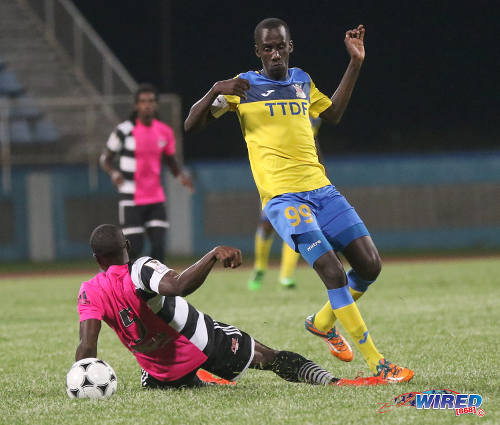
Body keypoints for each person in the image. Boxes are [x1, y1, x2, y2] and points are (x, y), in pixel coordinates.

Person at [184, 18, 414, 382]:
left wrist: (355, 63)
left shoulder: (302, 81)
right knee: (332, 270)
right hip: (283, 198)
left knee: (370, 265)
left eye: (280, 46)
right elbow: (191, 126)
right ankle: (378, 363)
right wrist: (214, 90)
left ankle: (322, 322)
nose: (274, 53)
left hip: (322, 189)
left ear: (290, 47)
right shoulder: (241, 88)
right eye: (267, 48)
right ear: (258, 52)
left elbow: (333, 113)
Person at [74, 224, 387, 389]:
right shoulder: (139, 267)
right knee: (270, 358)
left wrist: (81, 377)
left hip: (159, 373)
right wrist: (212, 255)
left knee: (179, 378)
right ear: (126, 247)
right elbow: (179, 285)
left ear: (97, 259)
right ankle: (333, 382)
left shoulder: (89, 291)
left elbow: (87, 345)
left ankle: (194, 378)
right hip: (203, 343)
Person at [100, 83, 194, 263]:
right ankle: (126, 286)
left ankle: (157, 289)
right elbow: (105, 159)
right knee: (134, 246)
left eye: (151, 101)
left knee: (158, 246)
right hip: (131, 197)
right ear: (136, 105)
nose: (147, 105)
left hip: (155, 198)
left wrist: (181, 176)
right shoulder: (124, 131)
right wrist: (113, 173)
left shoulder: (164, 132)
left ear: (156, 104)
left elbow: (170, 160)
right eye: (143, 101)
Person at [248, 117, 322, 290]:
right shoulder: (275, 102)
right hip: (275, 174)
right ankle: (259, 268)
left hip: (301, 177)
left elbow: (312, 141)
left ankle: (286, 275)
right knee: (267, 224)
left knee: (296, 224)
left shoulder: (312, 111)